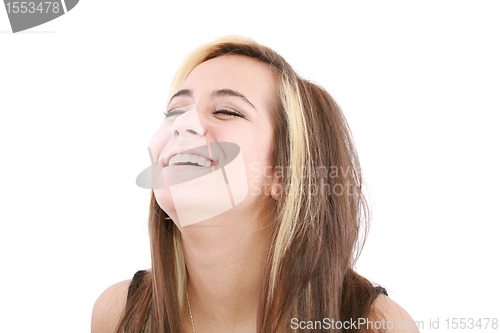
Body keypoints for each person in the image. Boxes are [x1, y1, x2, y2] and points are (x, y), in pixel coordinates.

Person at [91, 35, 419, 333]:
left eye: (225, 111)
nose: (183, 125)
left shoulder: (378, 326)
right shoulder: (117, 315)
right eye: (175, 111)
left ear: (285, 174)